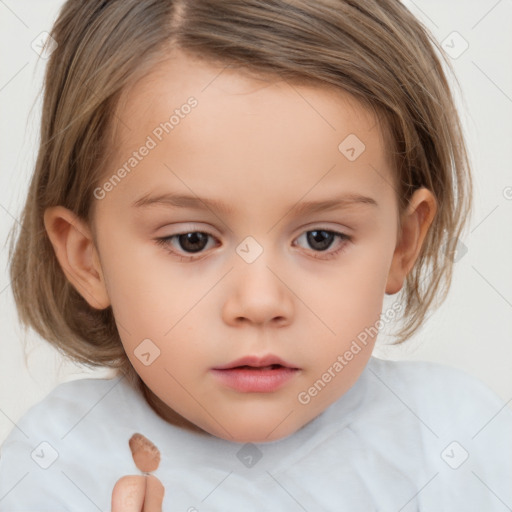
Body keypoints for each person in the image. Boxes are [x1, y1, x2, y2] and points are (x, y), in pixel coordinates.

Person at [1, 0, 510, 510]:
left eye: (320, 238)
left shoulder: (457, 442)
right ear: (88, 259)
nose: (261, 301)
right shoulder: (52, 470)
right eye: (192, 240)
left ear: (402, 244)